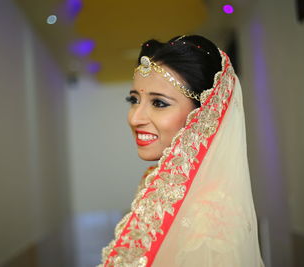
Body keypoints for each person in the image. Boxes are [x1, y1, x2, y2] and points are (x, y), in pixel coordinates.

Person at [98, 35, 265, 267]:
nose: (135, 117)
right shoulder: (158, 184)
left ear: (204, 114)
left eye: (159, 103)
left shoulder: (209, 216)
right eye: (134, 99)